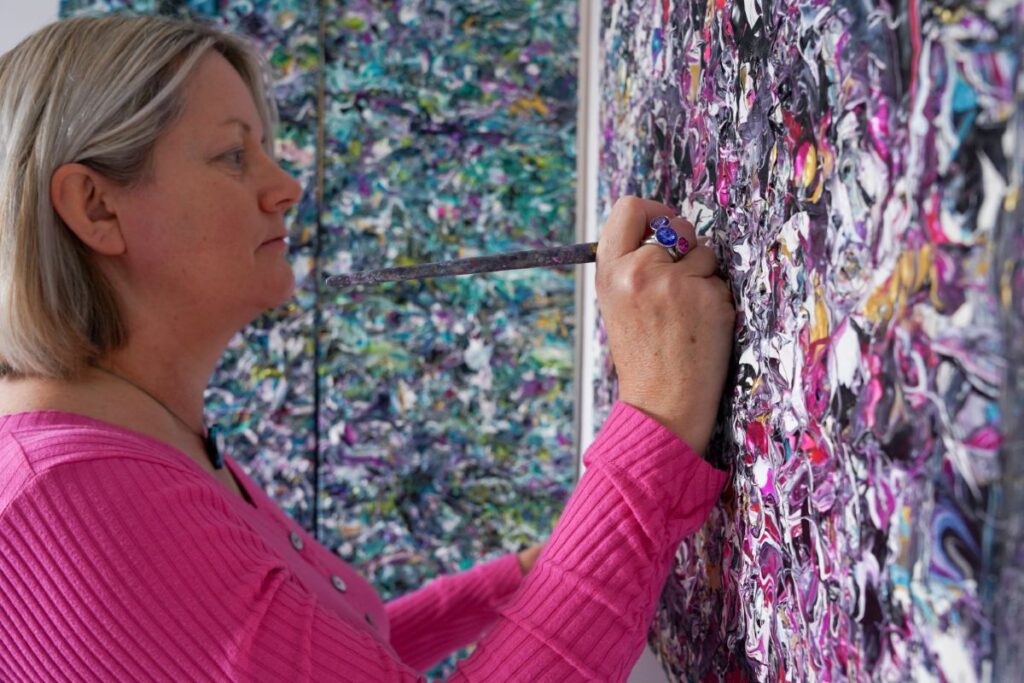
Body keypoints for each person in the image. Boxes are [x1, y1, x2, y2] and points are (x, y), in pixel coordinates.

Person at [0, 14, 735, 682]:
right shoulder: (65, 502)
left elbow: (324, 656)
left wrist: (521, 578)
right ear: (97, 207)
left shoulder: (133, 435)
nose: (286, 187)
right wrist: (657, 414)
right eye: (232, 155)